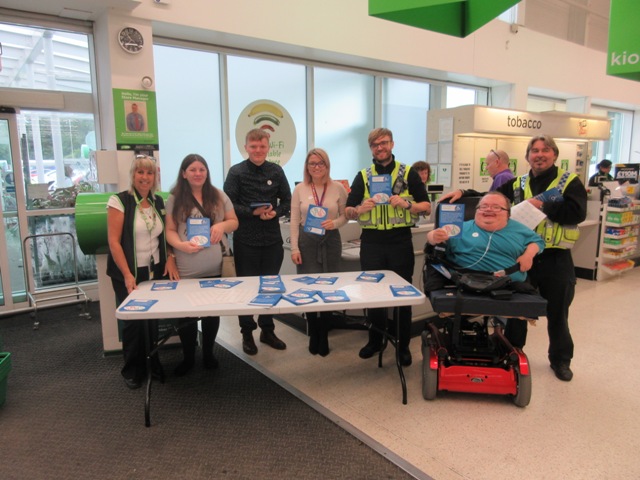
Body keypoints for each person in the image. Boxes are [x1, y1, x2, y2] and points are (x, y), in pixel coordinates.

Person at [440, 134, 587, 381]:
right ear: (528, 156)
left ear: (554, 154)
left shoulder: (568, 182)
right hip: (518, 258)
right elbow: (490, 197)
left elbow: (577, 213)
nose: (540, 154)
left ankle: (561, 360)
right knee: (515, 311)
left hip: (554, 258)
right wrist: (462, 191)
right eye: (535, 150)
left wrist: (544, 205)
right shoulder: (517, 184)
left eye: (545, 150)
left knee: (558, 313)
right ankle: (513, 353)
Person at [345, 128, 431, 366]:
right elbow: (348, 209)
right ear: (371, 148)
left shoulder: (408, 173)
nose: (379, 148)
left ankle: (403, 345)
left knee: (403, 295)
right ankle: (375, 340)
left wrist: (406, 204)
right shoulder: (363, 175)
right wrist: (358, 209)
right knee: (372, 294)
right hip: (371, 242)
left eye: (383, 143)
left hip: (399, 241)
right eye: (375, 145)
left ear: (392, 144)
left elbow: (426, 206)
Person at [426, 191, 544, 345]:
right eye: (484, 206)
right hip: (465, 283)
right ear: (476, 211)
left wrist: (529, 254)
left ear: (508, 213)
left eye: (496, 207)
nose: (488, 210)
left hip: (508, 285)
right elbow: (433, 241)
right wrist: (433, 236)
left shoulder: (519, 229)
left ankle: (515, 346)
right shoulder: (459, 228)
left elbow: (537, 241)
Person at [107, 154, 178, 389]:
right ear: (133, 175)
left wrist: (169, 258)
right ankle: (132, 369)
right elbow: (114, 242)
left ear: (155, 177)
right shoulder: (119, 201)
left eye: (149, 173)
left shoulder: (158, 202)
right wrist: (127, 274)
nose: (145, 177)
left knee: (152, 319)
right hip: (128, 271)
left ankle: (152, 363)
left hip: (154, 270)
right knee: (134, 321)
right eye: (140, 172)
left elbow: (164, 235)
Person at [165, 154, 239, 376]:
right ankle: (188, 357)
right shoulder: (175, 197)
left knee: (210, 314)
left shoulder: (218, 195)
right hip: (186, 268)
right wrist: (180, 245)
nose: (198, 173)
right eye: (193, 169)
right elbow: (169, 230)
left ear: (207, 172)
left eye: (202, 169)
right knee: (186, 315)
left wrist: (222, 226)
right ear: (184, 173)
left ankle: (208, 353)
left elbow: (234, 221)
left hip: (214, 267)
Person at [223, 128, 292, 355]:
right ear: (246, 147)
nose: (258, 150)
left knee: (269, 289)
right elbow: (228, 205)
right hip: (245, 241)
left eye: (262, 146)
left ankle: (267, 330)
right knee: (247, 290)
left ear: (268, 147)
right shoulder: (236, 172)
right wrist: (252, 213)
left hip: (272, 241)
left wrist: (277, 212)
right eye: (254, 146)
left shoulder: (277, 171)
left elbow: (287, 201)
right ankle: (247, 333)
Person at [290, 148, 348, 356]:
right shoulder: (299, 189)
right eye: (312, 163)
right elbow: (295, 220)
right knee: (310, 289)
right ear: (307, 167)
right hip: (307, 242)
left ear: (327, 165)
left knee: (329, 290)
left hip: (330, 240)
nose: (316, 167)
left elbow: (345, 216)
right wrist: (295, 248)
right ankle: (314, 333)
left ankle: (323, 335)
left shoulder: (338, 188)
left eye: (320, 163)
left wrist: (335, 223)